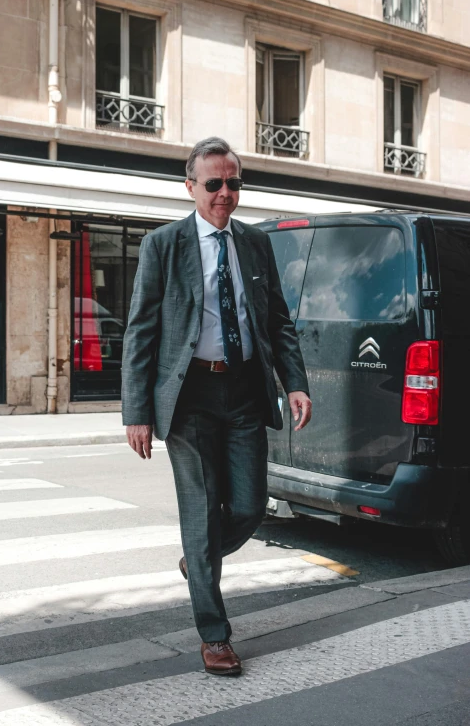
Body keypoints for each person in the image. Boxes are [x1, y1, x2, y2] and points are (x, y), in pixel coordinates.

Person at [122, 136, 312, 676]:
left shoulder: (254, 243)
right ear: (191, 187)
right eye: (214, 184)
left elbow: (277, 320)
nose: (225, 193)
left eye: (233, 183)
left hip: (246, 390)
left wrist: (294, 382)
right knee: (202, 514)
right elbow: (140, 334)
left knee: (252, 506)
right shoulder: (164, 244)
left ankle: (198, 560)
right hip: (189, 399)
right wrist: (136, 411)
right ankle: (215, 635)